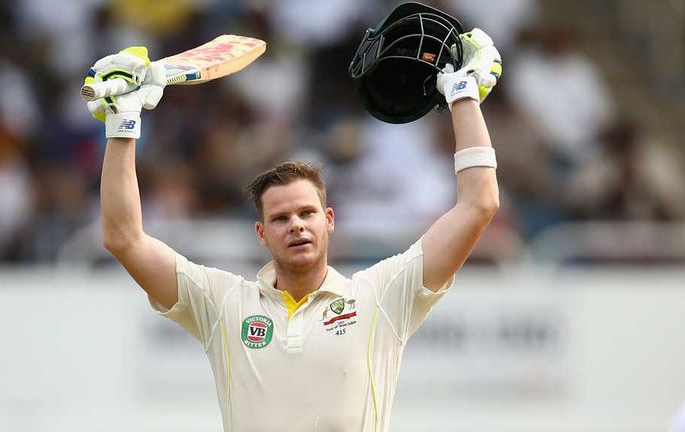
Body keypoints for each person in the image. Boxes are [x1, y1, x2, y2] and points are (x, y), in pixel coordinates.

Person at [86, 28, 501, 432]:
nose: (297, 226)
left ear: (330, 220)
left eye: (307, 213)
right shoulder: (221, 303)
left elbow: (478, 205)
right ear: (261, 234)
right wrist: (122, 124)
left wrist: (464, 95)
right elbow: (124, 238)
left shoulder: (381, 297)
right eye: (281, 219)